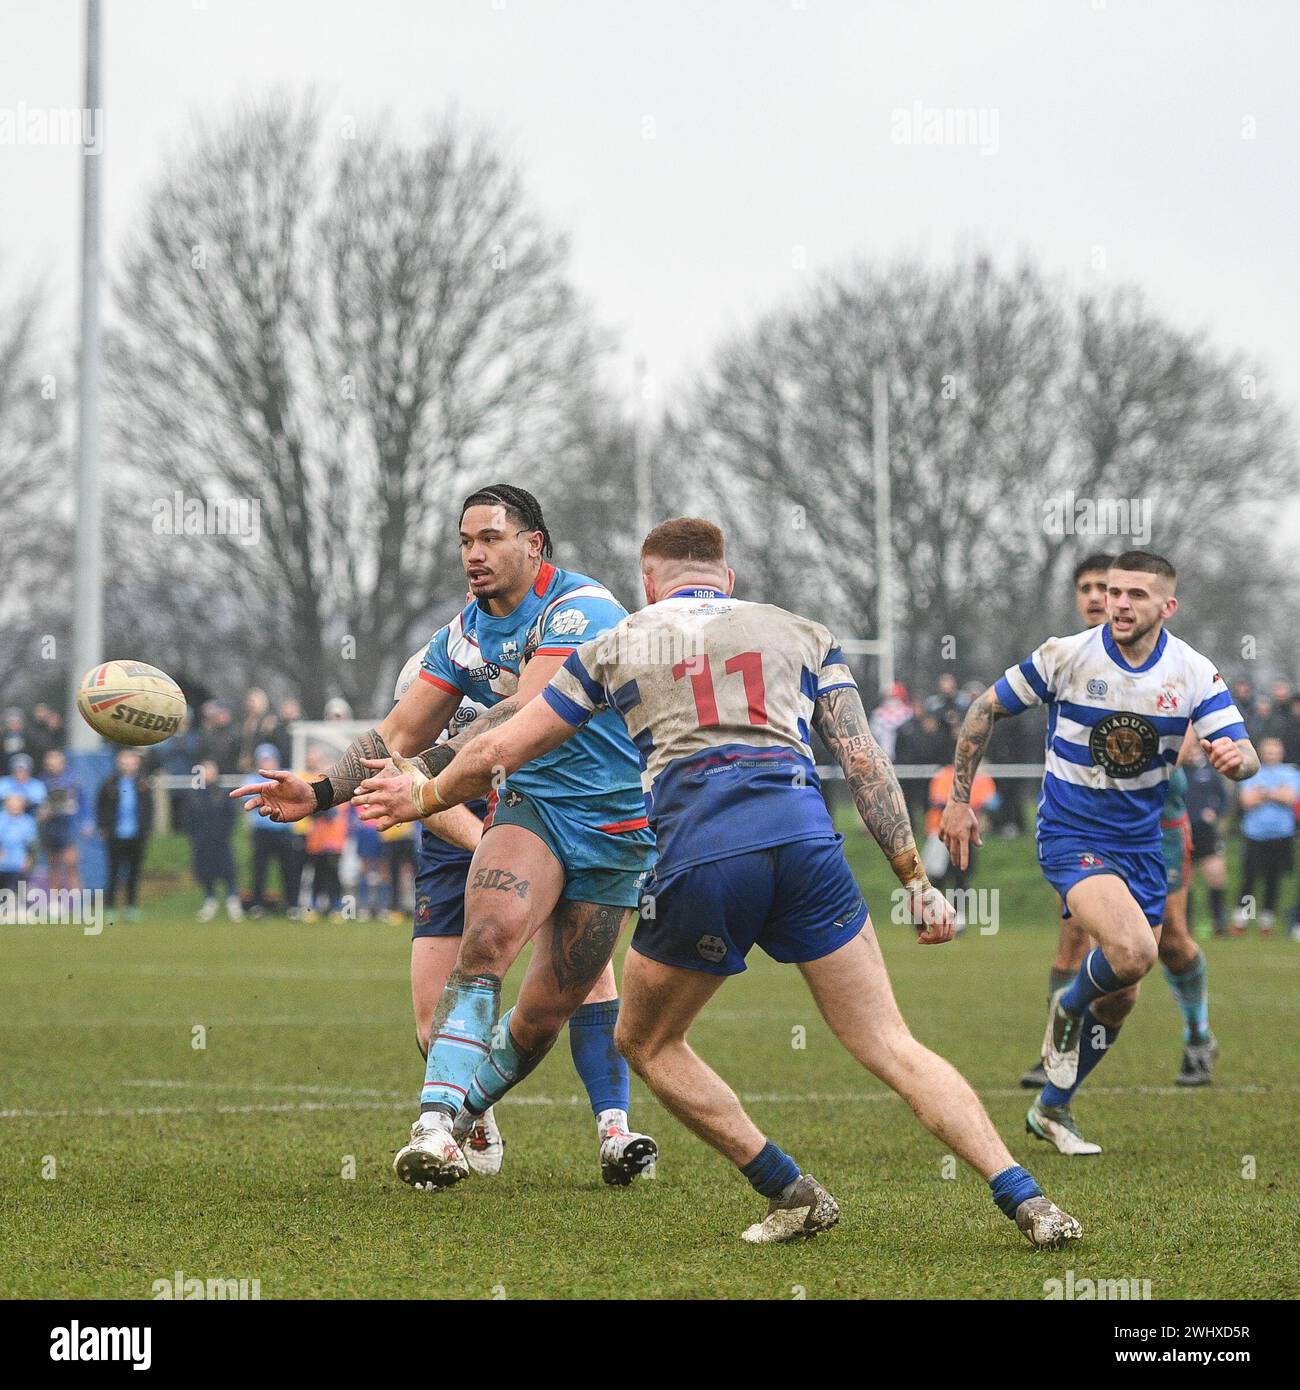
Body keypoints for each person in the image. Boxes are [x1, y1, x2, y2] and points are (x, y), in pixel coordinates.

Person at [371, 516, 1082, 1249]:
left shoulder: (617, 640)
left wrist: (423, 796)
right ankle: (1029, 1201)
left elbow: (501, 745)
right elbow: (863, 761)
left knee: (645, 1042)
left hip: (706, 853)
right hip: (809, 845)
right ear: (727, 578)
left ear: (649, 583)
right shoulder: (802, 631)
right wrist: (913, 879)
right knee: (891, 1042)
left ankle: (789, 1188)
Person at [234, 485, 660, 1189]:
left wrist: (423, 780)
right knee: (486, 943)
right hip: (532, 808)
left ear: (535, 544)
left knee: (546, 1013)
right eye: (466, 541)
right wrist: (316, 793)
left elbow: (522, 715)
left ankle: (473, 1116)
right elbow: (400, 732)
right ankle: (434, 1126)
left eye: (490, 538)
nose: (475, 554)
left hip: (613, 822)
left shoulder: (581, 610)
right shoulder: (462, 633)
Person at [942, 551, 1257, 1155]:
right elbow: (984, 709)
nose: (1118, 603)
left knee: (1125, 992)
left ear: (1167, 607)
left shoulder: (1190, 670)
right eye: (1113, 592)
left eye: (1136, 595)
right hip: (1071, 834)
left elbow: (1245, 752)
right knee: (1133, 951)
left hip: (1142, 843)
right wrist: (960, 800)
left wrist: (1233, 760)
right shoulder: (1067, 655)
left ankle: (1053, 1107)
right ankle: (1067, 1005)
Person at [1016, 553, 1113, 1090]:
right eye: (1087, 587)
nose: (1097, 597)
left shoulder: (1166, 663)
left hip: (1153, 830)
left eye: (1107, 586)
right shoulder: (1065, 658)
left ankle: (1197, 1037)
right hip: (1078, 829)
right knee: (1074, 941)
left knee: (1165, 946)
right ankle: (1057, 1053)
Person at [1233, 737, 1300, 937]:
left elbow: (1289, 798)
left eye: (1275, 751)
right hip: (1254, 834)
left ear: (1281, 753)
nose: (1271, 755)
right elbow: (1247, 800)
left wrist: (1263, 794)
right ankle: (1243, 919)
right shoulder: (1251, 772)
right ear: (1261, 752)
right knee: (1250, 879)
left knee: (1273, 879)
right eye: (1268, 751)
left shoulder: (1291, 773)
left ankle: (1266, 921)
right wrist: (1275, 794)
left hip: (1281, 834)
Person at [95, 749, 154, 920]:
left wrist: (147, 829)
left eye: (130, 761)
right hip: (115, 834)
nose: (127, 765)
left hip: (137, 834)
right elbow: (101, 807)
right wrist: (103, 827)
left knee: (134, 872)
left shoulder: (143, 784)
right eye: (124, 762)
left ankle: (131, 906)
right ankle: (110, 907)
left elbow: (149, 809)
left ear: (137, 763)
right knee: (113, 871)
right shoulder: (109, 784)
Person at [247, 742, 304, 917]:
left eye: (269, 759)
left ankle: (292, 905)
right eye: (263, 760)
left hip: (284, 830)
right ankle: (257, 905)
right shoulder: (251, 780)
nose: (267, 763)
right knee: (259, 869)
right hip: (262, 831)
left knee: (290, 869)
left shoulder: (287, 777)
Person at [1184, 737, 1230, 937]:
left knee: (1217, 875)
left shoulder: (1211, 772)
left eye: (1195, 747)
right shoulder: (1175, 772)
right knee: (1186, 882)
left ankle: (1219, 923)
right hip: (1183, 832)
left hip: (1206, 833)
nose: (1193, 751)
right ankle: (1185, 925)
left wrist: (1215, 812)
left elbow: (1224, 800)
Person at [187, 760, 243, 921]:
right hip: (202, 842)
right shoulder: (194, 795)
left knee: (229, 872)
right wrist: (196, 836)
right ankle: (209, 901)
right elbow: (189, 819)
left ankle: (233, 902)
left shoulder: (223, 794)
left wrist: (225, 833)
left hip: (222, 841)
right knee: (206, 873)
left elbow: (231, 817)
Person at [38, 749, 86, 894]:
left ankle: (77, 900)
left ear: (63, 763)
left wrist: (86, 822)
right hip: (50, 826)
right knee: (53, 864)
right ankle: (54, 900)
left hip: (67, 826)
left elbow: (83, 803)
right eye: (49, 764)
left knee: (71, 864)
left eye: (55, 763)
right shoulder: (42, 781)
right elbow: (37, 805)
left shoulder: (73, 781)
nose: (52, 767)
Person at [0, 791, 39, 894]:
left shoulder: (28, 822)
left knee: (20, 883)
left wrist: (30, 858)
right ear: (6, 804)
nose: (15, 807)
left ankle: (19, 903)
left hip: (20, 862)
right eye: (12, 804)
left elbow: (32, 846)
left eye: (18, 804)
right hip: (3, 861)